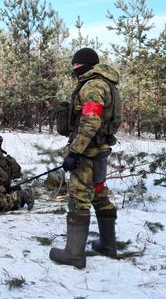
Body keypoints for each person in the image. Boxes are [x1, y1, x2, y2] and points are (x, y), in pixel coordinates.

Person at [49, 47, 122, 269]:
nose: (74, 70)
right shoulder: (107, 84)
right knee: (99, 192)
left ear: (85, 64)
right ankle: (108, 245)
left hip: (87, 153)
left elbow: (91, 120)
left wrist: (75, 151)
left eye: (76, 66)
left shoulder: (93, 85)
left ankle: (74, 254)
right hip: (100, 150)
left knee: (79, 198)